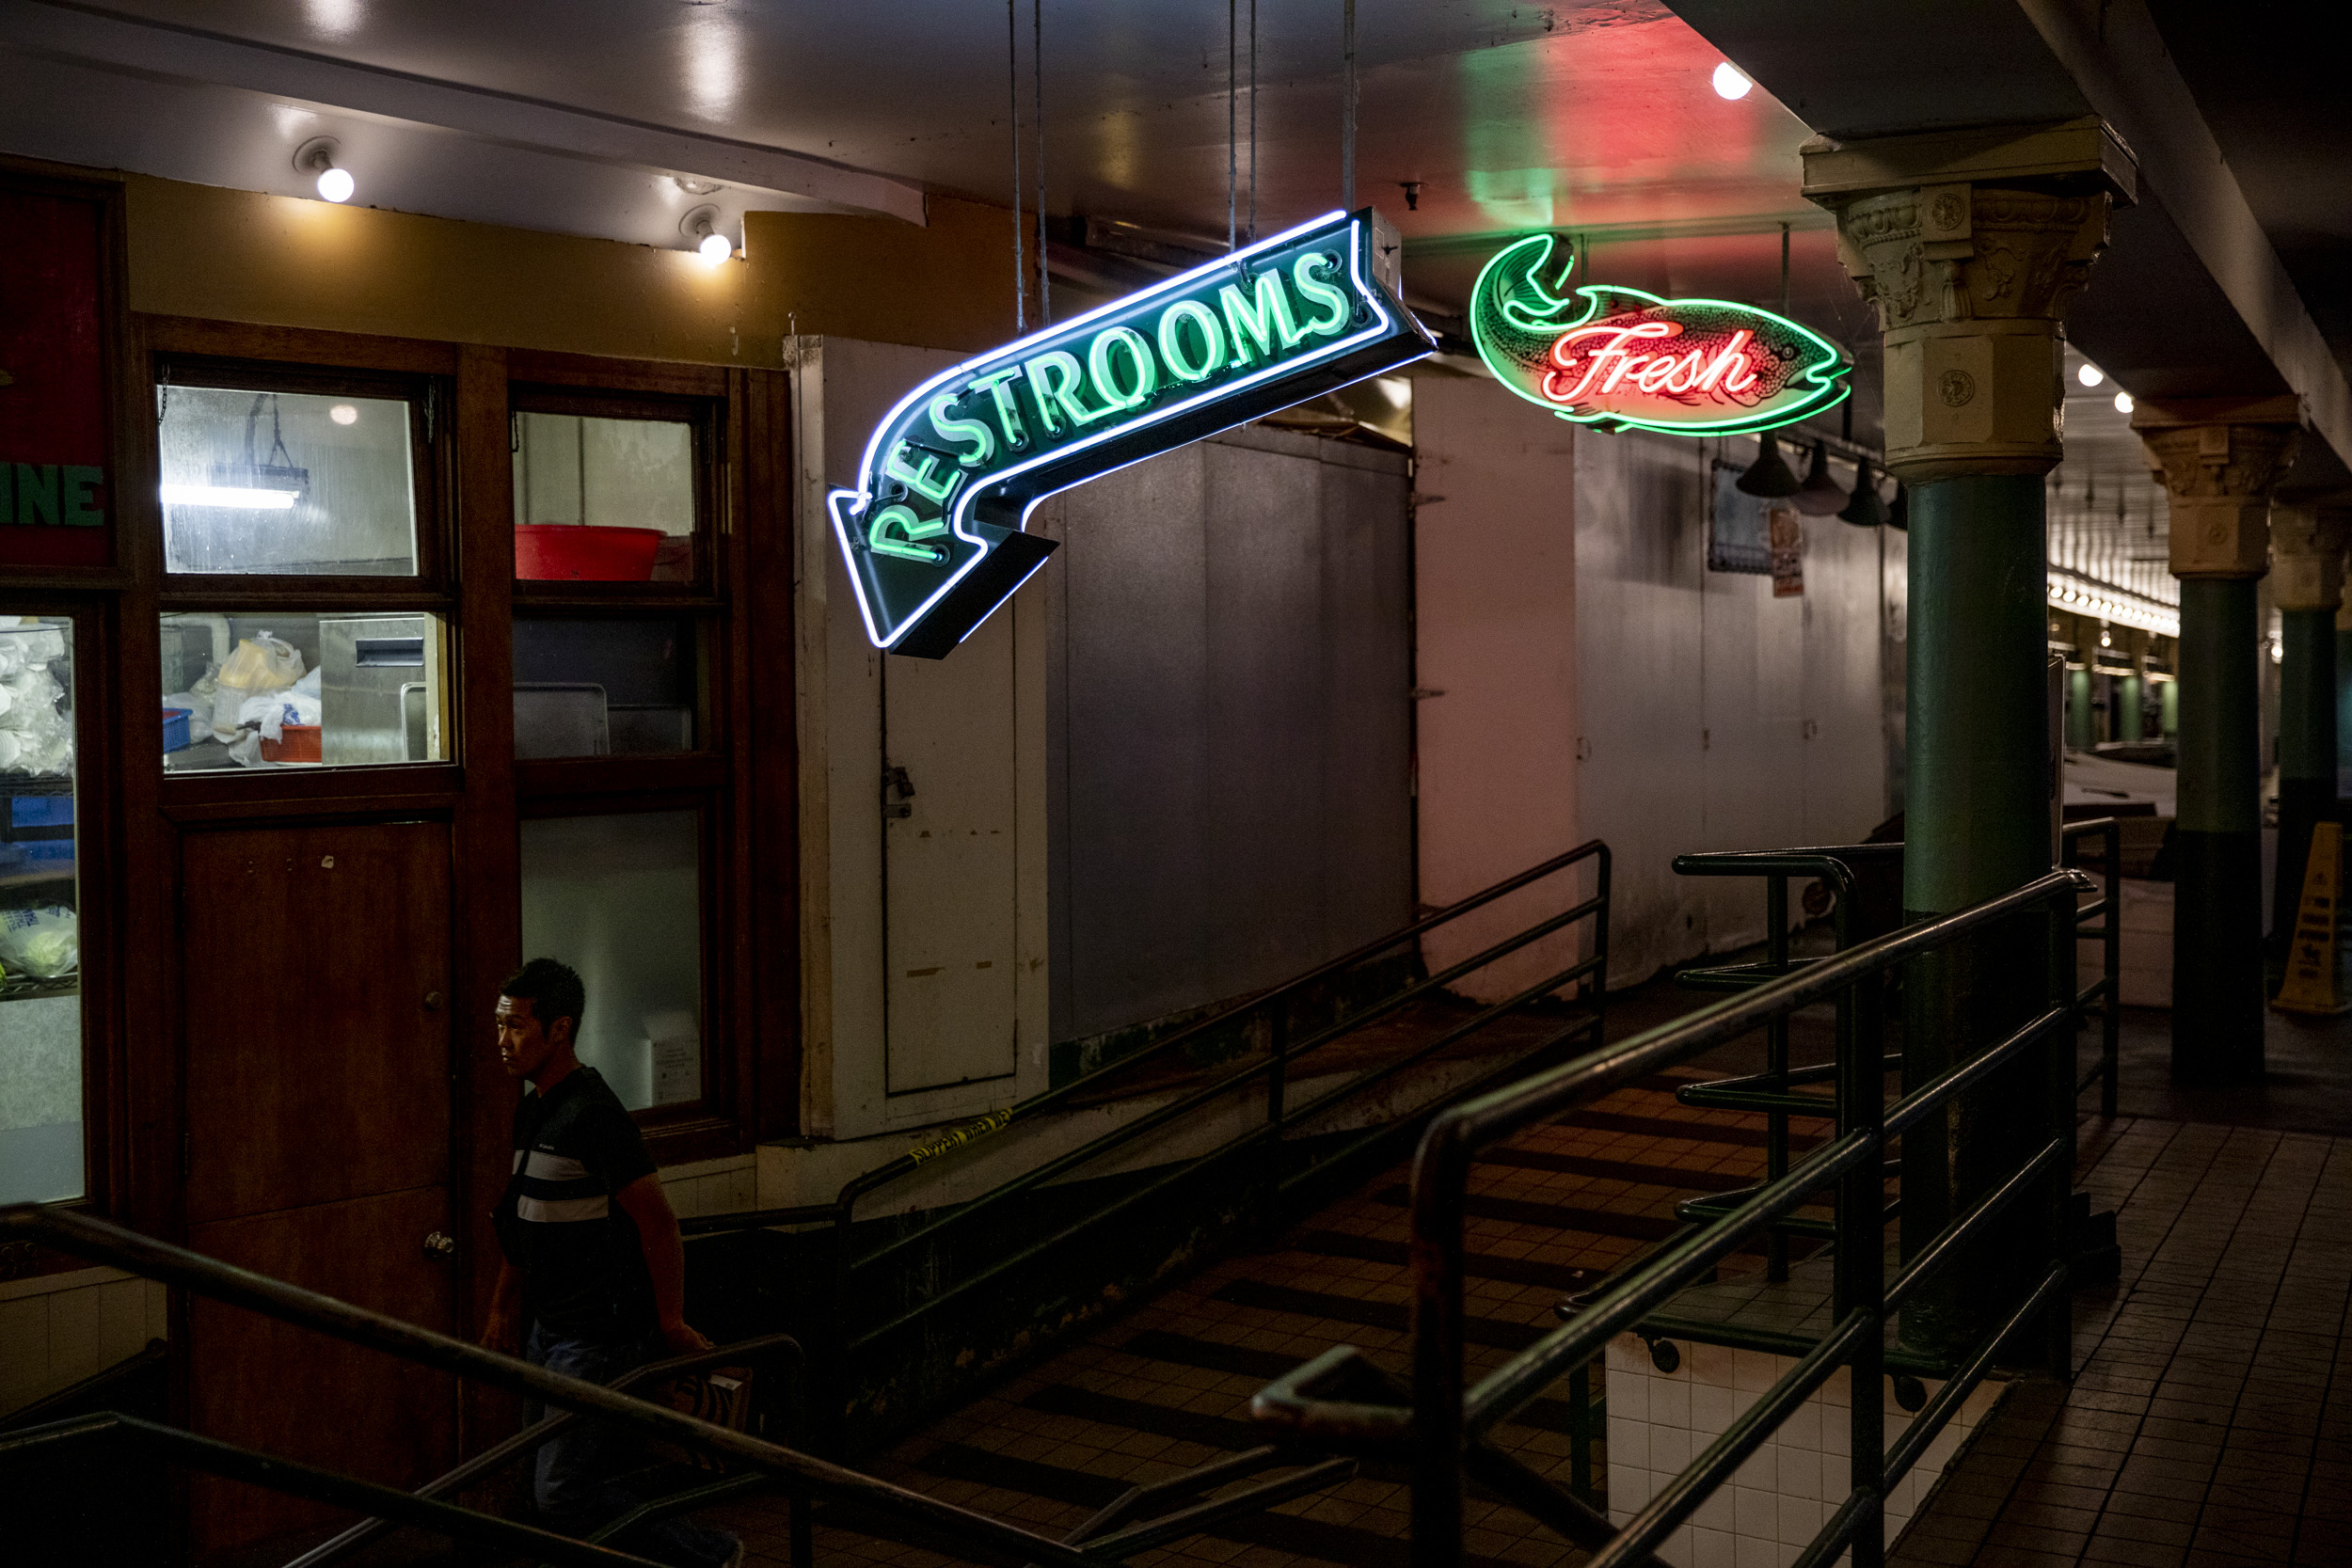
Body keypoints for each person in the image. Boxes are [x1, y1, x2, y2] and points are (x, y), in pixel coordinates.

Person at [483, 958, 741, 1568]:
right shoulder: (533, 1108)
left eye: (516, 1025)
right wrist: (502, 1306)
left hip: (595, 1334)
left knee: (561, 1490)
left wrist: (671, 1321)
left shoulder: (593, 1113)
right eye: (499, 1024)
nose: (503, 1040)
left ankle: (708, 1554)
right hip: (548, 1328)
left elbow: (658, 1221)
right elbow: (524, 1217)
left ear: (559, 1029)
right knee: (544, 1482)